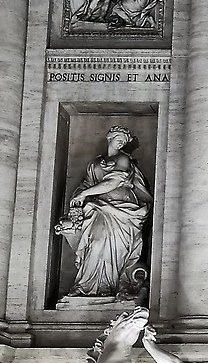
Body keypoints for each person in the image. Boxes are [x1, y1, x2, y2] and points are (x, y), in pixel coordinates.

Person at [55, 127, 150, 302]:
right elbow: (86, 186)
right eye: (118, 139)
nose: (121, 143)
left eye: (124, 141)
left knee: (112, 249)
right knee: (95, 243)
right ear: (110, 137)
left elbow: (115, 181)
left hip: (122, 211)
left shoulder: (122, 159)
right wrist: (78, 196)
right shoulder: (94, 164)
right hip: (98, 208)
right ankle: (86, 287)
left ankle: (108, 286)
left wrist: (84, 194)